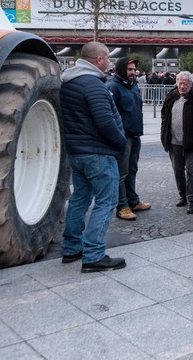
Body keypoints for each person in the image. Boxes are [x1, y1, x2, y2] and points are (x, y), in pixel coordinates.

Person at [60, 41, 127, 272]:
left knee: (79, 198)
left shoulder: (70, 81)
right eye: (108, 57)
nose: (109, 62)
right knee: (106, 201)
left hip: (77, 152)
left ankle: (71, 248)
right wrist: (121, 142)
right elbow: (104, 121)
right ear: (99, 59)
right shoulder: (94, 85)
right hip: (98, 153)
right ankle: (93, 254)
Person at [107, 57, 152, 221]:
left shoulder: (132, 85)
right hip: (123, 137)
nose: (133, 72)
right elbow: (110, 114)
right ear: (120, 69)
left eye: (134, 69)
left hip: (134, 135)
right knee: (122, 173)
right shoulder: (113, 86)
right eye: (130, 70)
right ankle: (122, 206)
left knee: (132, 170)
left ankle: (133, 201)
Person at [160, 71, 193, 214]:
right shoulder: (171, 96)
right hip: (174, 142)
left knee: (192, 172)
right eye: (180, 83)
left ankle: (192, 200)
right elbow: (164, 115)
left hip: (192, 142)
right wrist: (164, 132)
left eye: (185, 84)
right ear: (176, 83)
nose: (182, 86)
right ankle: (183, 196)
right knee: (178, 171)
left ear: (191, 83)